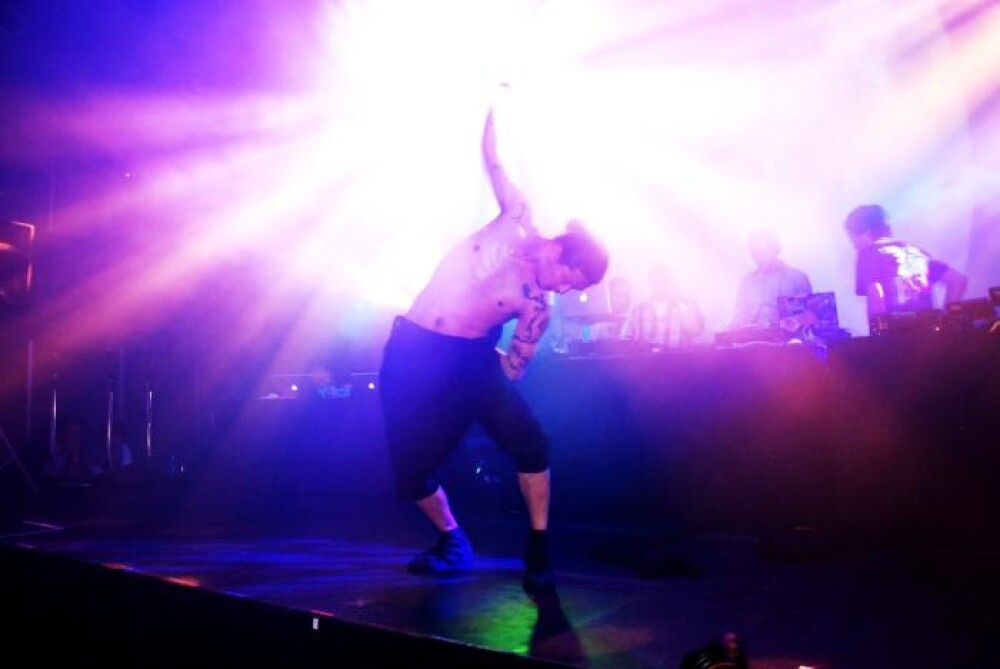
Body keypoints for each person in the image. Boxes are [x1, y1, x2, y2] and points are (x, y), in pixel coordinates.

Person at [378, 103, 609, 597]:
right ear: (557, 250)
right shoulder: (517, 216)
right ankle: (452, 539)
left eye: (573, 288)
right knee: (410, 470)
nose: (565, 290)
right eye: (569, 279)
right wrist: (492, 101)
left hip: (470, 361)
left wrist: (497, 369)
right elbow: (492, 156)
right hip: (413, 350)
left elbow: (513, 368)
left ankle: (538, 549)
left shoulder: (538, 307)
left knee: (532, 442)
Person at [843, 204, 967, 323]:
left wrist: (877, 333)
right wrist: (944, 319)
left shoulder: (868, 253)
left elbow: (876, 295)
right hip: (928, 332)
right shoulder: (914, 250)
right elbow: (958, 280)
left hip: (895, 332)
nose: (854, 244)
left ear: (866, 233)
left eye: (852, 237)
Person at [728, 228, 813, 331]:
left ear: (776, 249)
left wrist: (796, 321)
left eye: (762, 253)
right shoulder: (747, 282)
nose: (759, 259)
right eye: (755, 255)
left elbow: (809, 315)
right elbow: (740, 316)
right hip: (753, 339)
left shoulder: (798, 279)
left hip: (787, 338)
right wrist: (725, 334)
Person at [622, 261, 704, 348]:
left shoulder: (688, 306)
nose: (663, 286)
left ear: (673, 282)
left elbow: (696, 330)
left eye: (667, 282)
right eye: (658, 282)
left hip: (679, 357)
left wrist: (679, 302)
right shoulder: (639, 311)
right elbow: (630, 342)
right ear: (651, 283)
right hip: (647, 357)